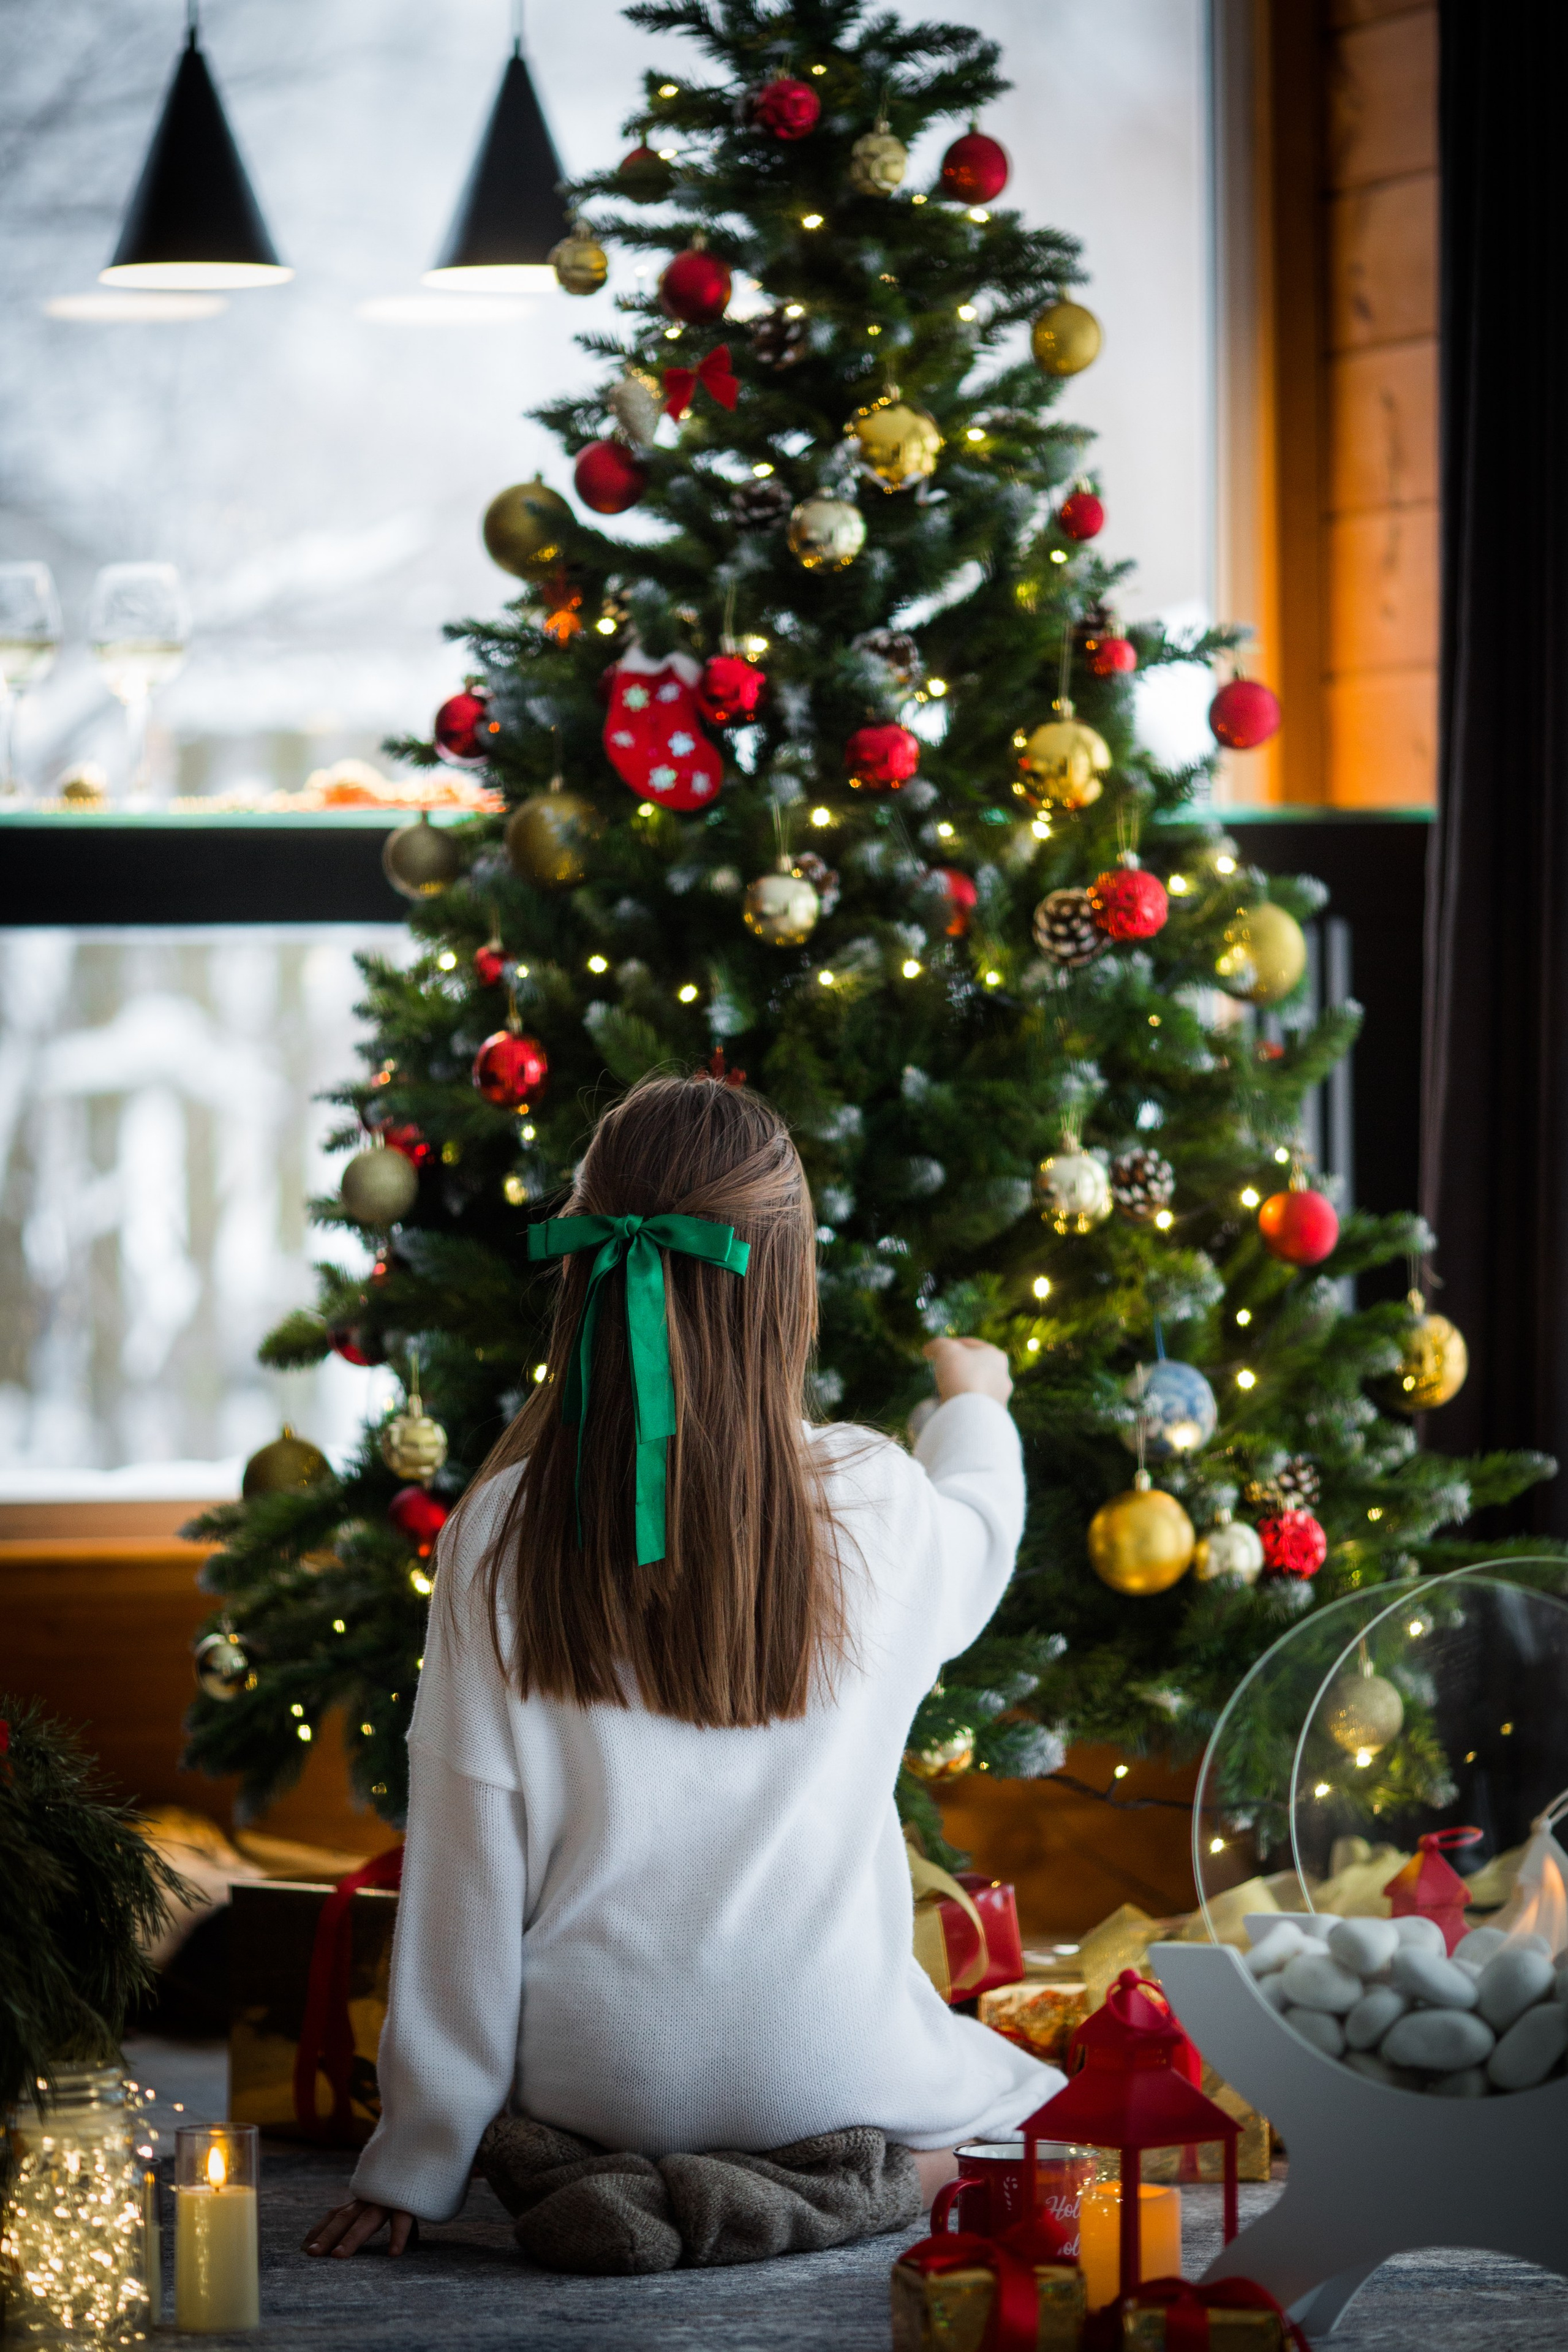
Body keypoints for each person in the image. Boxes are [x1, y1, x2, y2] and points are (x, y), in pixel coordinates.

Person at [305, 1074, 1061, 2261]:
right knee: (1028, 2113)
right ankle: (828, 2188)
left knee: (549, 2109)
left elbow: (464, 1870)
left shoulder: (496, 1534)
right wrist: (971, 1404)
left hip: (588, 2078)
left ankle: (613, 2179)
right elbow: (980, 1532)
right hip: (824, 2069)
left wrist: (417, 2154)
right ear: (789, 1288)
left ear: (584, 1272)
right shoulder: (872, 1496)